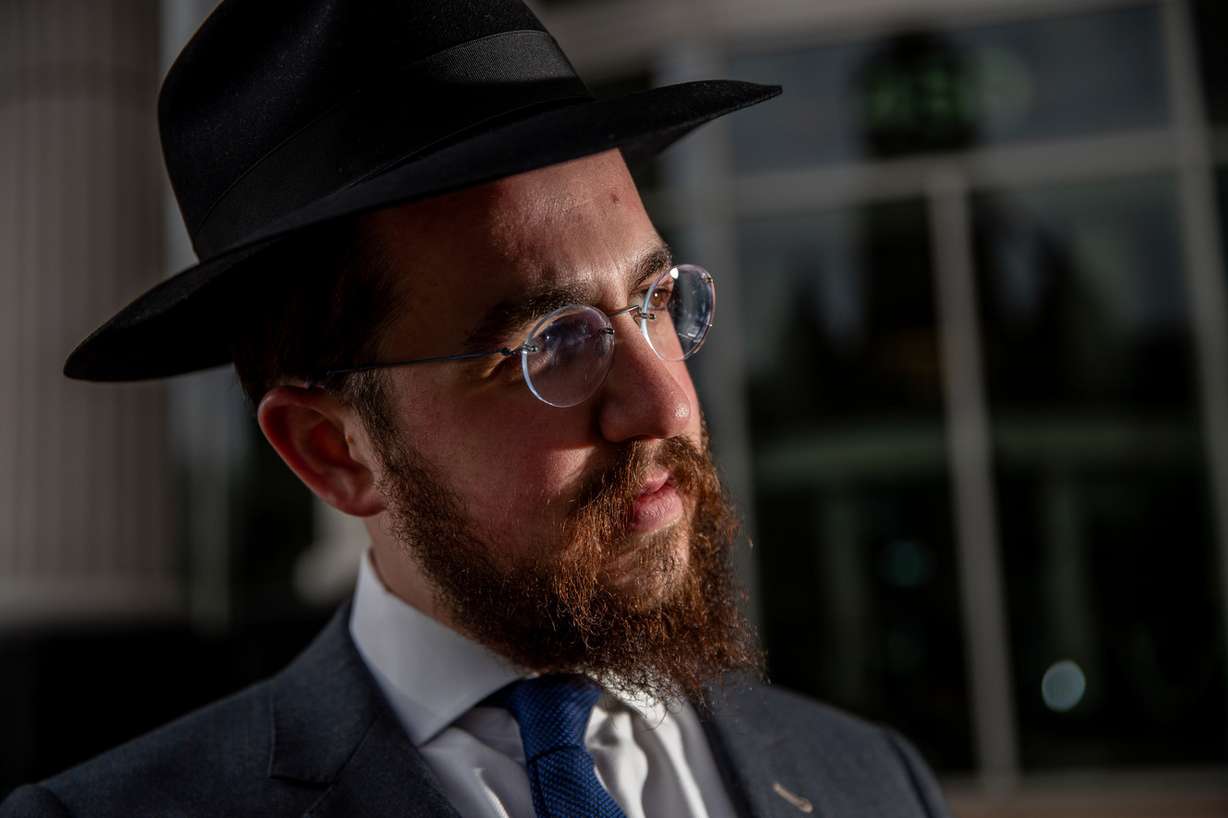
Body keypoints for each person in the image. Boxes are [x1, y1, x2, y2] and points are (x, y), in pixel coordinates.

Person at [1, 1, 952, 816]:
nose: (664, 403)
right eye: (553, 346)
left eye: (658, 301)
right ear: (332, 450)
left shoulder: (875, 783)